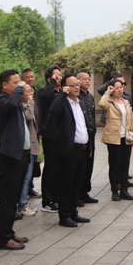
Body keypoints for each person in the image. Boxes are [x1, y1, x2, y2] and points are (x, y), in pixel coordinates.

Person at [0, 70, 31, 250]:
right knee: (7, 200)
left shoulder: (14, 101)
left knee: (14, 198)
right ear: (4, 85)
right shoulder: (2, 101)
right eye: (15, 83)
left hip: (20, 155)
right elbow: (11, 104)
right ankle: (3, 239)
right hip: (9, 157)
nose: (19, 85)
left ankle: (9, 231)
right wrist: (20, 89)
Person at [49, 75, 93, 227]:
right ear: (65, 87)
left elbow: (86, 126)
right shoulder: (62, 102)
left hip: (82, 149)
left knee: (77, 184)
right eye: (72, 85)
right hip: (69, 150)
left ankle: (73, 212)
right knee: (66, 184)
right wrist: (63, 94)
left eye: (77, 84)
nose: (76, 87)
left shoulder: (81, 103)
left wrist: (89, 147)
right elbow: (53, 111)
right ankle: (64, 216)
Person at [100, 79, 133, 201]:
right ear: (111, 89)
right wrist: (107, 93)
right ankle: (114, 191)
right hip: (113, 138)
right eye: (116, 87)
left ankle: (124, 191)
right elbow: (102, 105)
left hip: (126, 138)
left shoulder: (126, 102)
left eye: (121, 87)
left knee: (125, 165)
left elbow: (131, 120)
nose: (120, 89)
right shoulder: (109, 102)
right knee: (114, 165)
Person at [36, 66, 62, 213]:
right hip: (50, 135)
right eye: (56, 76)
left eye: (60, 75)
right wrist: (52, 82)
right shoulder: (44, 93)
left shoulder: (62, 92)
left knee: (59, 169)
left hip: (61, 135)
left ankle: (57, 197)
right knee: (51, 168)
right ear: (49, 79)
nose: (59, 78)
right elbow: (45, 98)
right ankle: (47, 200)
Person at [17, 84, 40, 217]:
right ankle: (22, 204)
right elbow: (29, 117)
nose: (31, 93)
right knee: (25, 178)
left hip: (32, 144)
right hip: (25, 146)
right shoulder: (22, 106)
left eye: (32, 91)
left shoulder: (27, 104)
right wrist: (31, 102)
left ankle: (24, 201)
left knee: (28, 176)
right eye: (28, 91)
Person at [76, 72, 98, 205]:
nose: (88, 81)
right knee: (80, 164)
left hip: (90, 133)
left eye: (89, 79)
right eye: (84, 79)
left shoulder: (90, 96)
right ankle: (77, 194)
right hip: (80, 134)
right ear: (78, 81)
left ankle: (85, 192)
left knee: (89, 163)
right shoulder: (76, 97)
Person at [22, 69, 41, 199]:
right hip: (26, 137)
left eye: (32, 77)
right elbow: (28, 116)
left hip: (35, 134)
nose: (30, 79)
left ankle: (30, 188)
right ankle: (24, 195)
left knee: (33, 164)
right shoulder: (24, 101)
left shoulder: (36, 93)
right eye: (27, 77)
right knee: (27, 166)